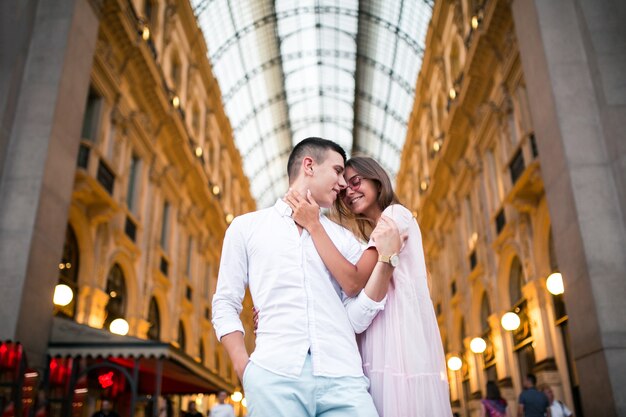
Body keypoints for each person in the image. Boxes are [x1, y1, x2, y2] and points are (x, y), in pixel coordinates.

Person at [212, 137, 402, 417]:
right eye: (338, 171)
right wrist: (245, 368)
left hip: (344, 377)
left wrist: (385, 263)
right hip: (273, 376)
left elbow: (354, 314)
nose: (343, 184)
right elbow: (225, 302)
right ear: (309, 166)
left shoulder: (346, 240)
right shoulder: (246, 227)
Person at [285, 155, 452, 416]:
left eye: (355, 182)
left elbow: (351, 280)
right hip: (379, 342)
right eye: (343, 191)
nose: (349, 192)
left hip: (398, 344)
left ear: (376, 180)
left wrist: (314, 225)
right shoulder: (370, 236)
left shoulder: (395, 216)